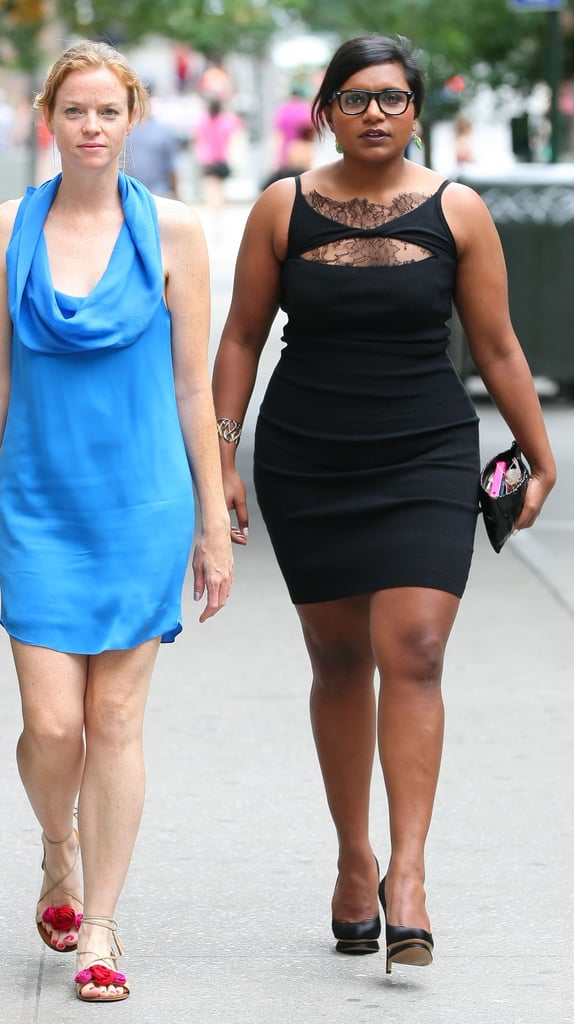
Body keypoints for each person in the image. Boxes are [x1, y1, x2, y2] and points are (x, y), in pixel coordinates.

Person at [212, 34, 556, 975]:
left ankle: (407, 874)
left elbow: (499, 347)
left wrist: (536, 448)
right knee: (335, 657)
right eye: (356, 98)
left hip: (425, 451)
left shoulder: (461, 211)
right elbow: (241, 335)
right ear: (326, 108)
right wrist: (223, 453)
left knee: (416, 648)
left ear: (416, 111)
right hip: (309, 456)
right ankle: (352, 857)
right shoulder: (282, 206)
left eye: (393, 99)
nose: (375, 114)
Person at [0, 40, 233, 1003]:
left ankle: (99, 925)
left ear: (134, 119)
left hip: (141, 505)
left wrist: (212, 523)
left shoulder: (175, 232)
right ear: (46, 120)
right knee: (51, 728)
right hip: (37, 504)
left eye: (107, 111)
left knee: (116, 717)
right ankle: (57, 846)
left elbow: (191, 388)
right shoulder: (8, 227)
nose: (90, 128)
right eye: (74, 112)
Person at [193, 97, 242, 227]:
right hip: (222, 159)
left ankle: (214, 213)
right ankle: (219, 213)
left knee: (210, 188)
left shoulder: (202, 121)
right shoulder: (227, 121)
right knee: (220, 188)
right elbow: (237, 131)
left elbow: (197, 138)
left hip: (207, 159)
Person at [126, 85, 179, 198]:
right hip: (137, 194)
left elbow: (172, 168)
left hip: (151, 195)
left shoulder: (163, 130)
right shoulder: (126, 130)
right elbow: (173, 168)